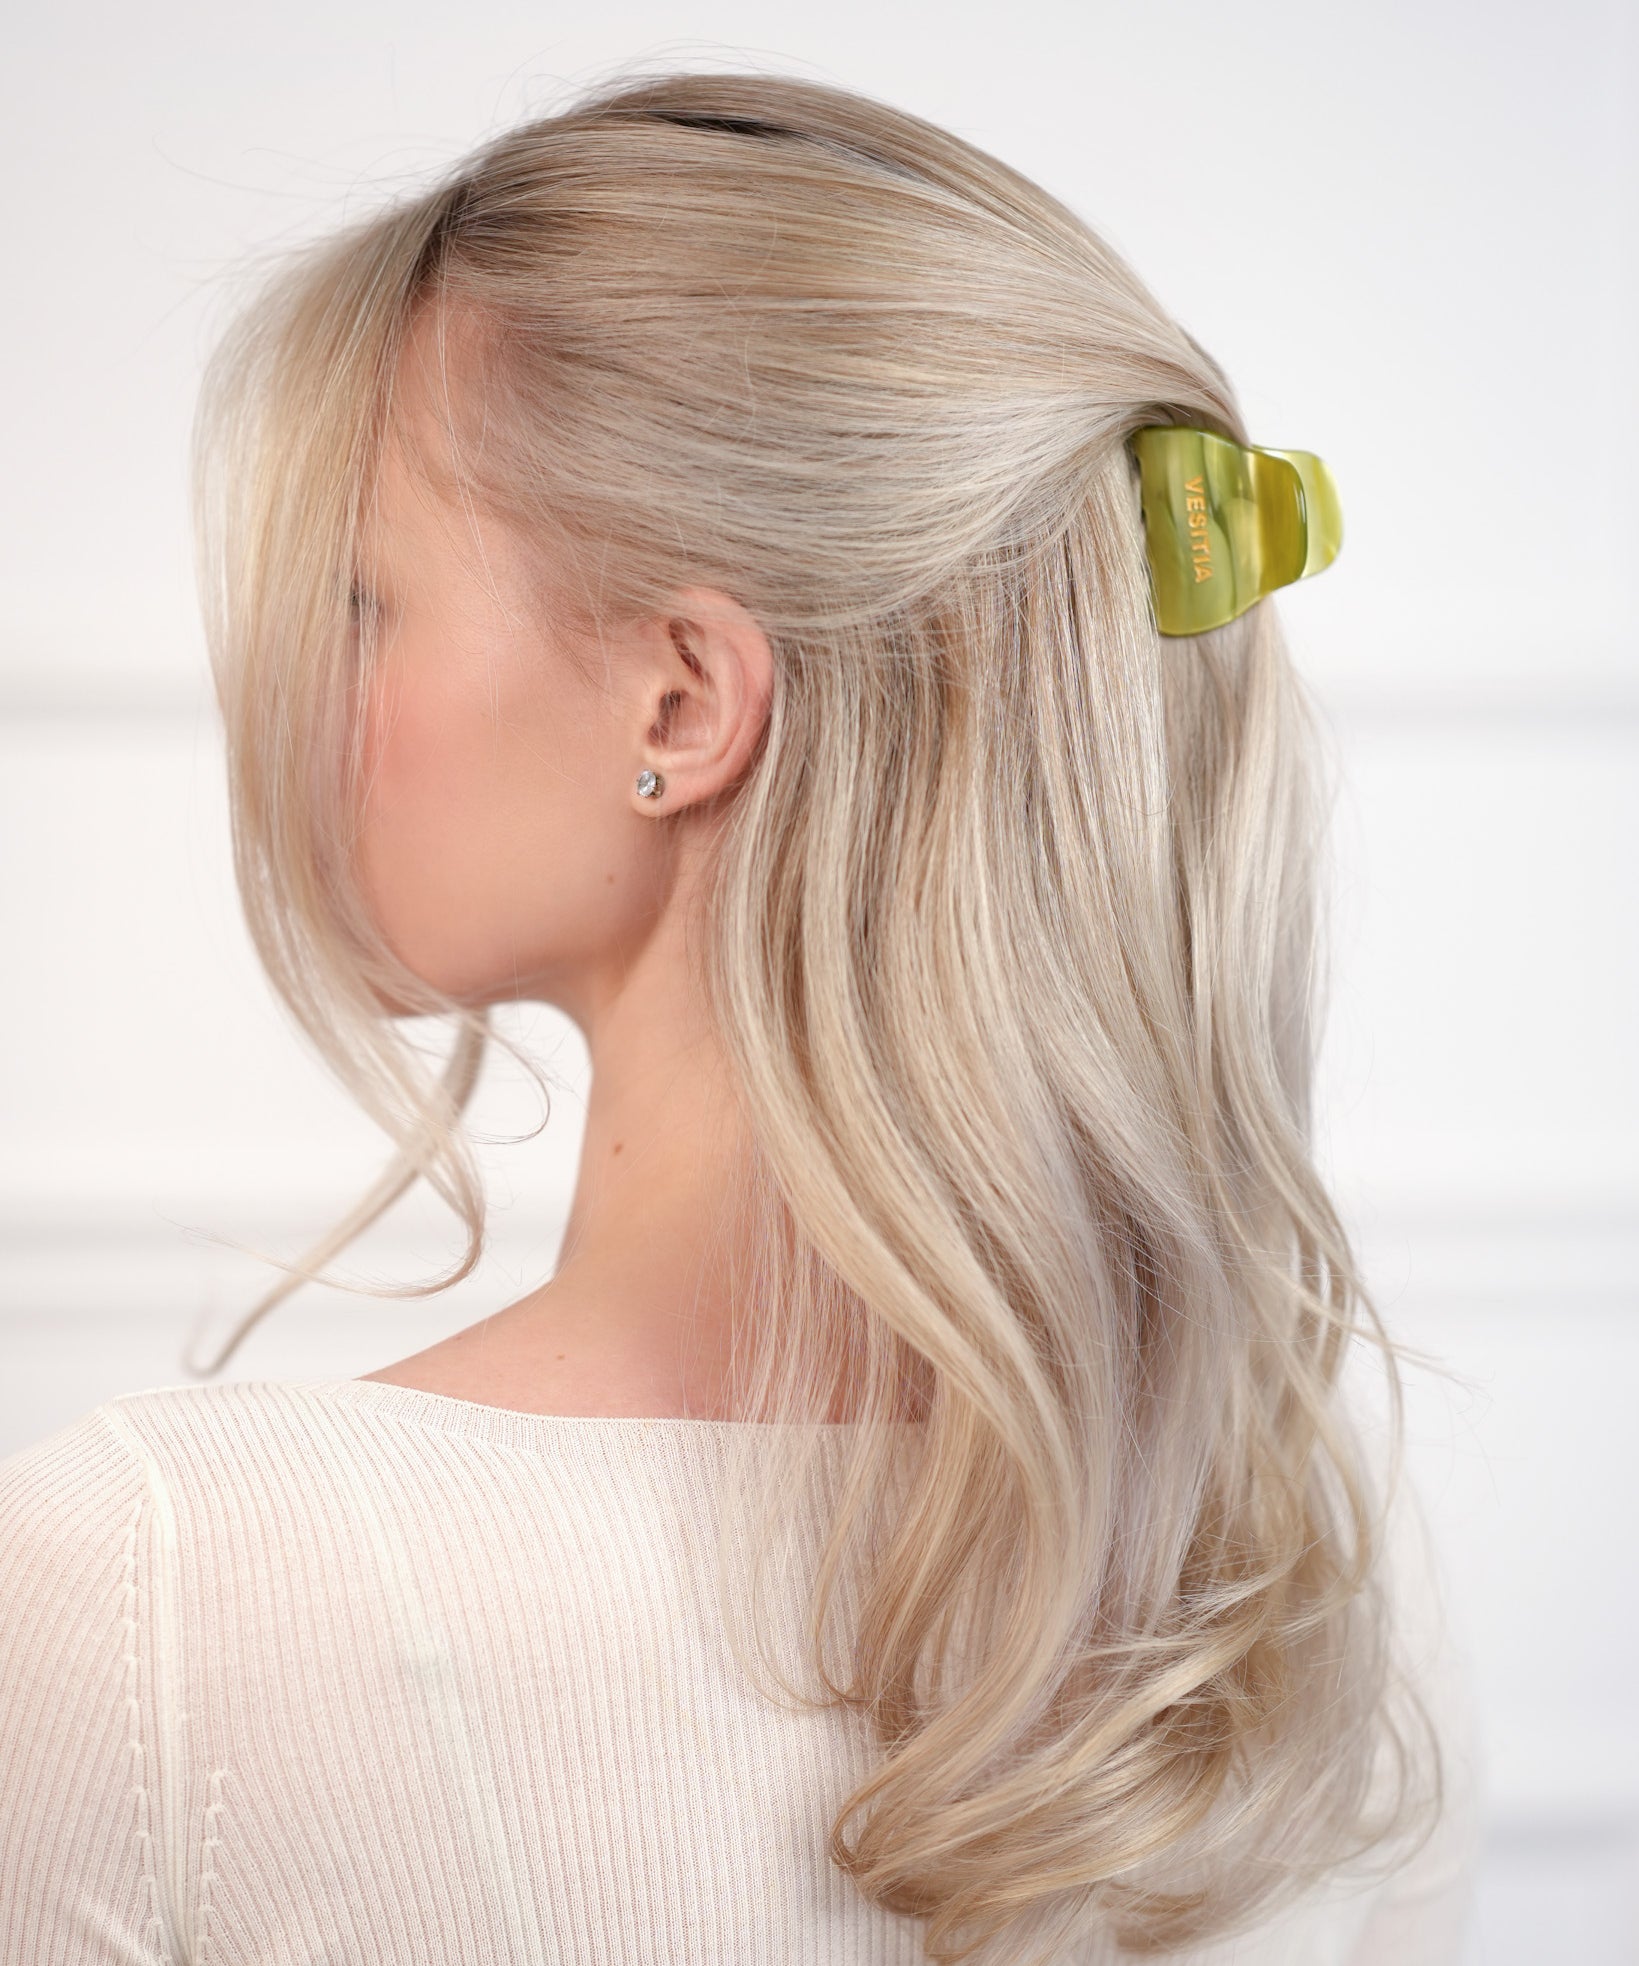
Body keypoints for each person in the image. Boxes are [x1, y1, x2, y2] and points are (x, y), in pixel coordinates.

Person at [0, 68, 1481, 1963]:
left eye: (368, 603)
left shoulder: (150, 1594)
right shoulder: (1297, 1581)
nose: (297, 692)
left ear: (683, 704)